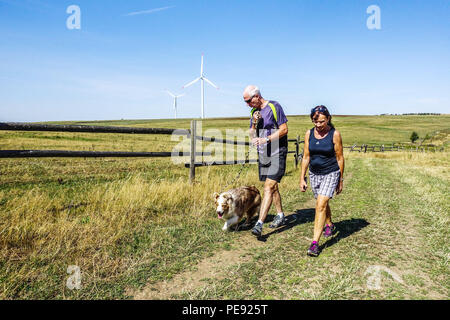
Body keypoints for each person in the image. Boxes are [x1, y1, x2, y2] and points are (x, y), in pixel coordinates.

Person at [243, 85, 289, 237]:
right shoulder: (253, 111)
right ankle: (280, 215)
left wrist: (266, 139)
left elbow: (284, 129)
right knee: (272, 187)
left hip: (277, 151)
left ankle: (259, 224)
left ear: (256, 96)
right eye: (246, 102)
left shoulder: (274, 106)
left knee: (269, 187)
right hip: (263, 154)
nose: (248, 104)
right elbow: (251, 133)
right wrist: (255, 122)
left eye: (249, 101)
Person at [300, 105, 344, 257]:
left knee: (320, 205)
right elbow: (306, 156)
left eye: (321, 122)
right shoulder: (309, 133)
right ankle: (330, 224)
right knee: (322, 202)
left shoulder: (334, 134)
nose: (318, 125)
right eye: (315, 121)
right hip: (314, 174)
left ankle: (314, 243)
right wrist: (302, 177)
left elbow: (339, 157)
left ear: (328, 119)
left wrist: (340, 179)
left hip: (331, 172)